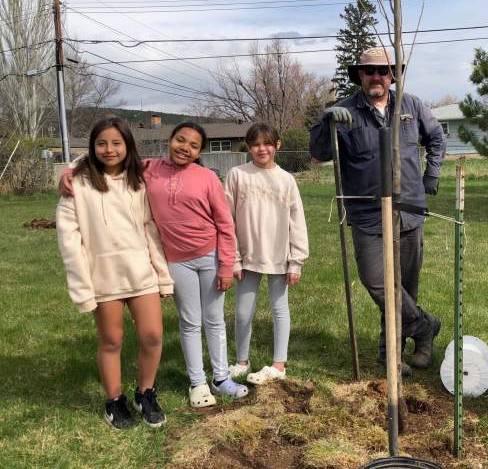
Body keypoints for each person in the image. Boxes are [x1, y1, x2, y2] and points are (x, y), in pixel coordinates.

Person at [60, 122, 249, 408]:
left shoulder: (207, 177)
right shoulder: (148, 169)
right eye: (179, 139)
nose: (184, 147)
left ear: (201, 151)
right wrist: (71, 169)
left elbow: (225, 223)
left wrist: (226, 264)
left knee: (213, 319)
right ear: (169, 140)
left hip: (209, 256)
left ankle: (221, 378)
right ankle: (197, 382)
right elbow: (110, 153)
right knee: (189, 320)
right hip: (177, 261)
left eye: (193, 145)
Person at [309, 47, 445, 371]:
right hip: (367, 215)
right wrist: (325, 123)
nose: (377, 77)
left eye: (383, 71)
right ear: (359, 75)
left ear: (392, 75)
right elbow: (317, 153)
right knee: (378, 283)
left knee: (405, 287)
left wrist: (433, 173)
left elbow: (437, 138)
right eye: (369, 71)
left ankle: (393, 355)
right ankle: (425, 326)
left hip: (409, 209)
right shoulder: (345, 112)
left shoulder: (411, 106)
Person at [56, 116, 173, 429]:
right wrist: (82, 287)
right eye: (101, 143)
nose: (109, 149)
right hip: (103, 278)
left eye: (116, 143)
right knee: (111, 340)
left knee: (152, 335)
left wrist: (162, 275)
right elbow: (70, 243)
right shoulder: (77, 185)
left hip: (141, 274)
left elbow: (151, 231)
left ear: (128, 146)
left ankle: (145, 393)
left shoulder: (140, 180)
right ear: (92, 147)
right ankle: (114, 400)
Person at [224, 123, 309, 385]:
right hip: (246, 258)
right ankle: (241, 361)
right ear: (248, 147)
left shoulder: (287, 180)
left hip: (279, 257)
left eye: (267, 143)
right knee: (242, 313)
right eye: (256, 144)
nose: (262, 149)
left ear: (278, 145)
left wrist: (296, 261)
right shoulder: (237, 175)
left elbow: (297, 221)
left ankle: (278, 364)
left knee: (279, 309)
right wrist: (233, 258)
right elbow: (227, 218)